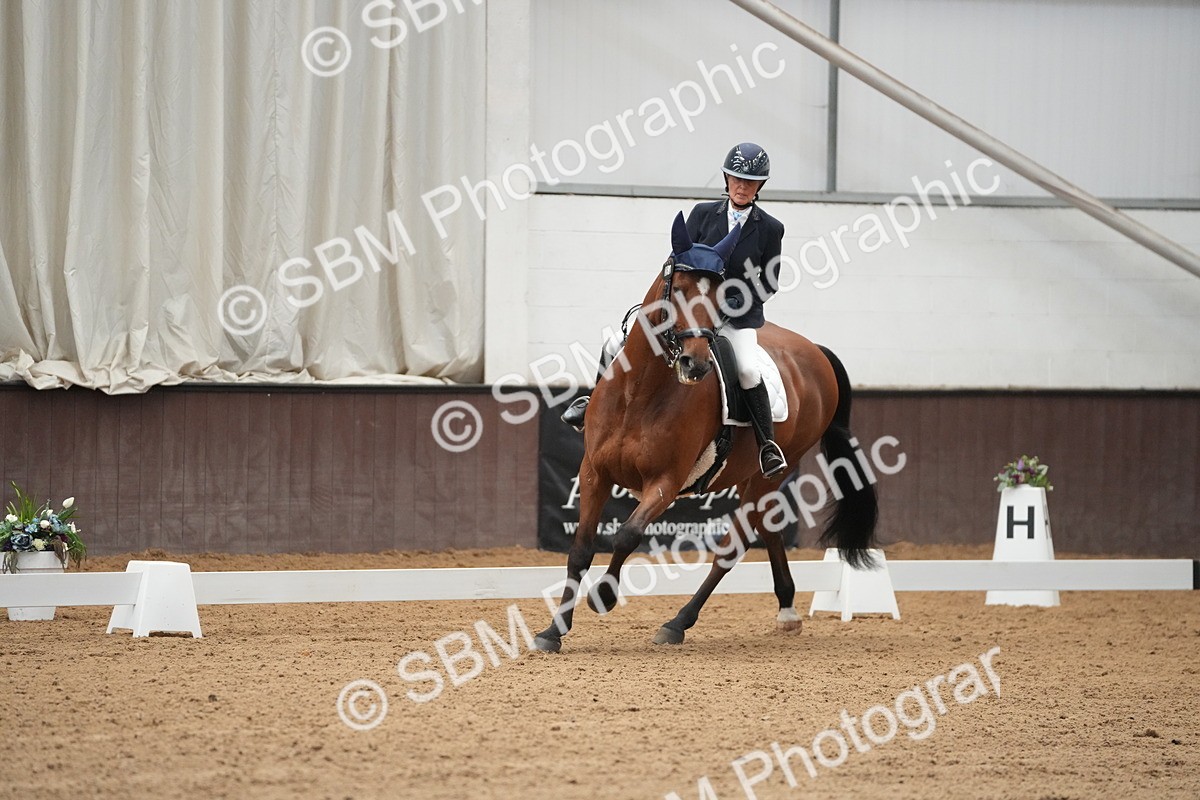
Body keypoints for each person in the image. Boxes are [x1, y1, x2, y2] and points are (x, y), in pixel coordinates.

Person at [561, 142, 787, 479]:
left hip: (735, 318)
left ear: (759, 187)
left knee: (749, 371)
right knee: (614, 344)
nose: (742, 187)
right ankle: (591, 405)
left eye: (750, 182)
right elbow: (678, 262)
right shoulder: (700, 215)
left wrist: (731, 304)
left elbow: (769, 282)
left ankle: (767, 445)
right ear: (727, 179)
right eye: (737, 179)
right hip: (688, 312)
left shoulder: (770, 228)